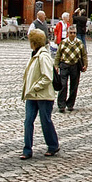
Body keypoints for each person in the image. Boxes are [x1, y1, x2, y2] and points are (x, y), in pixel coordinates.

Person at [21, 29, 59, 159]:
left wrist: (35, 88)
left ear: (34, 42)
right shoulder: (35, 54)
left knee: (45, 121)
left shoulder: (43, 56)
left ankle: (53, 145)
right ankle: (27, 149)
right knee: (28, 121)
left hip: (43, 95)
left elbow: (47, 77)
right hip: (32, 95)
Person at [55, 24, 87, 112]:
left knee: (74, 86)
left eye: (74, 33)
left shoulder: (79, 43)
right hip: (64, 65)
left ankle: (70, 104)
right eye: (71, 33)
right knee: (63, 85)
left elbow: (84, 55)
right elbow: (58, 54)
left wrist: (85, 64)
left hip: (75, 65)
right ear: (68, 33)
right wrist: (56, 65)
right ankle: (61, 105)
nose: (72, 34)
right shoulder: (63, 42)